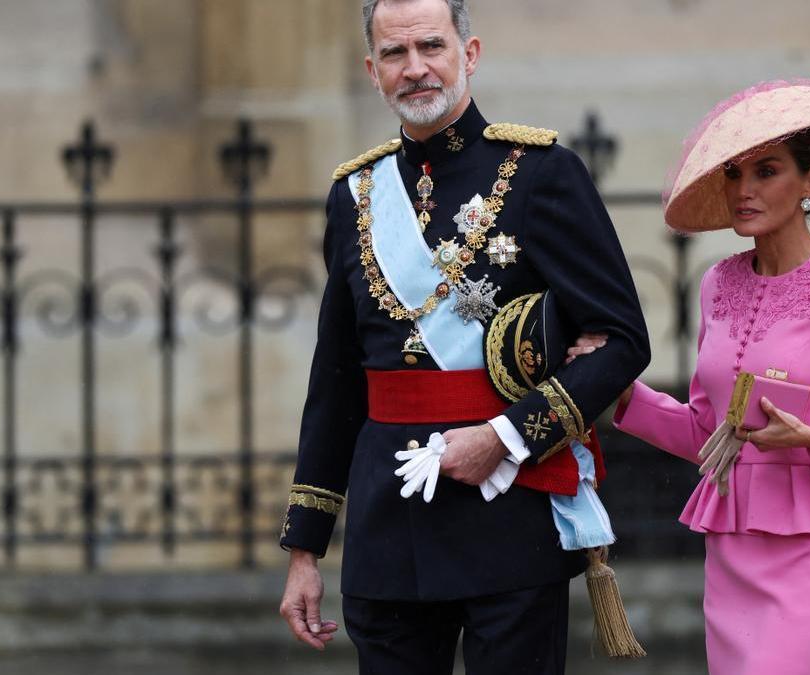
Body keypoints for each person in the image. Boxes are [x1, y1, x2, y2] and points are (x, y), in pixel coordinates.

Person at [277, 1, 650, 673]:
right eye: (395, 54)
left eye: (431, 46)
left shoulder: (541, 173)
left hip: (507, 513)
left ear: (468, 54)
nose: (415, 69)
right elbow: (335, 380)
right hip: (389, 525)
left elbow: (623, 340)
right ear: (372, 70)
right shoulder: (354, 194)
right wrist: (305, 549)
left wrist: (505, 438)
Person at [609, 80, 810, 674]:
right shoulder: (717, 284)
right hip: (730, 556)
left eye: (767, 171)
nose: (743, 191)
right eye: (733, 174)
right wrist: (623, 394)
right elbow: (707, 430)